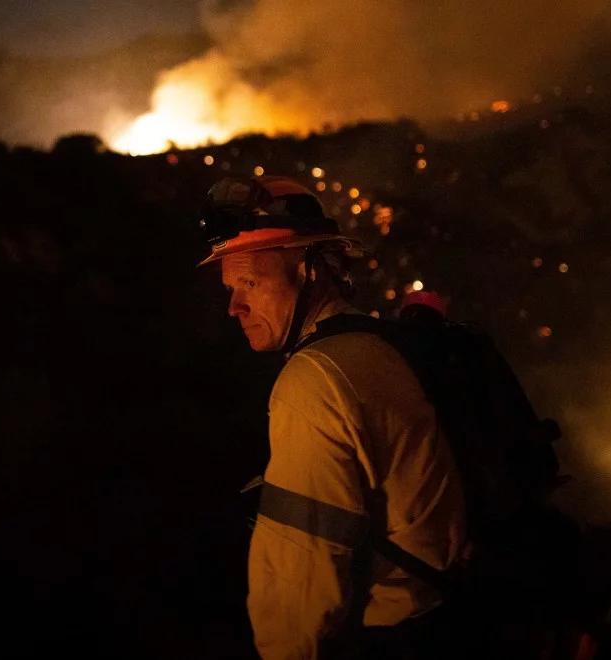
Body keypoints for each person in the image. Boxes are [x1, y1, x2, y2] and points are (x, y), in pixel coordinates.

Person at [198, 176, 468, 659]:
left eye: (250, 283)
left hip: (392, 639)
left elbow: (301, 582)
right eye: (230, 288)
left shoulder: (315, 379)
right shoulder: (378, 345)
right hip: (447, 620)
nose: (234, 307)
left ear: (309, 272)